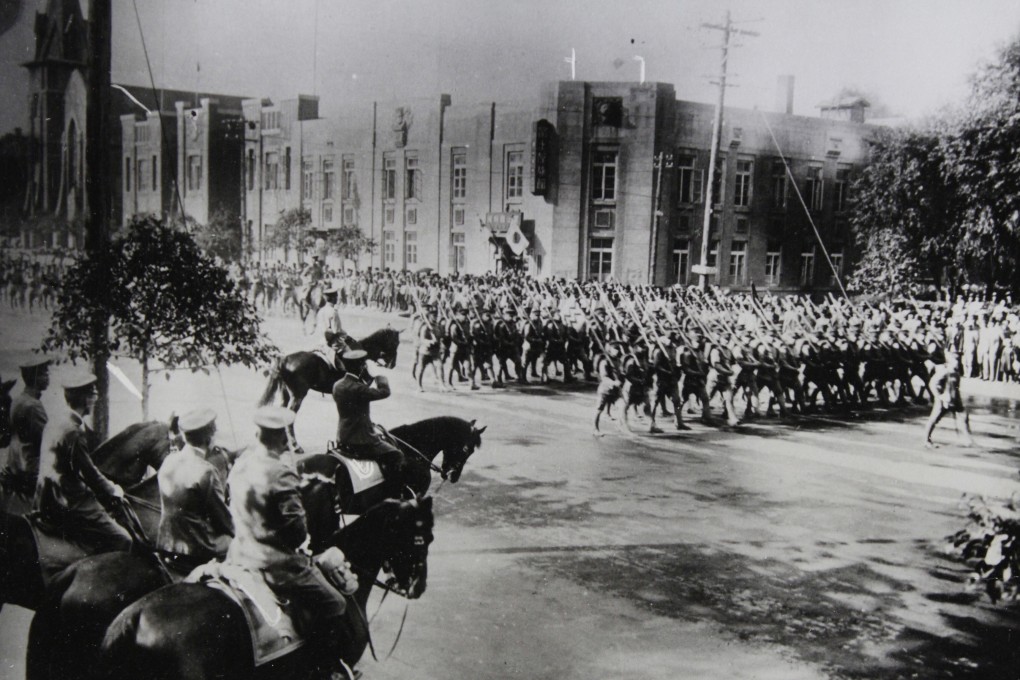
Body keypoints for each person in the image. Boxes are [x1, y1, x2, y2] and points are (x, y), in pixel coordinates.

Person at [222, 405, 359, 680]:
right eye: (284, 434)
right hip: (277, 565)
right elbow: (297, 533)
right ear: (280, 438)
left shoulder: (241, 463)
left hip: (239, 554)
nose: (287, 439)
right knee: (335, 604)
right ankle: (324, 669)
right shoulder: (281, 472)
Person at [33, 373, 131, 553]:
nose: (94, 400)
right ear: (85, 400)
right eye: (93, 396)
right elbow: (90, 473)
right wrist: (113, 489)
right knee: (123, 539)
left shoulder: (55, 420)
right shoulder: (74, 431)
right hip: (69, 500)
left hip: (45, 496)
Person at [156, 407, 233, 574]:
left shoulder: (169, 460)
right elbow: (224, 522)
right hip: (196, 547)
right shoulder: (206, 471)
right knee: (240, 544)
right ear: (209, 438)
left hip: (166, 542)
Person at [332, 349, 408, 484]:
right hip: (361, 439)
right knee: (397, 455)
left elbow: (359, 389)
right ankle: (394, 491)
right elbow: (384, 392)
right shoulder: (358, 389)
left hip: (343, 435)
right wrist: (378, 374)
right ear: (362, 367)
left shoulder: (338, 385)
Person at [4, 357, 50, 502]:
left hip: (15, 464)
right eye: (44, 373)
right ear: (35, 377)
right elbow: (47, 441)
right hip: (30, 470)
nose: (48, 377)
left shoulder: (18, 400)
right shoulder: (33, 406)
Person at [924, 350, 975, 448]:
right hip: (943, 400)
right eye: (955, 360)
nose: (957, 362)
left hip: (954, 399)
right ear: (949, 361)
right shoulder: (944, 371)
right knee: (934, 419)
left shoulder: (956, 372)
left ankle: (968, 440)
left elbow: (956, 388)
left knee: (964, 417)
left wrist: (958, 401)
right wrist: (939, 396)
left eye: (958, 360)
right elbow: (932, 384)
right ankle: (926, 440)